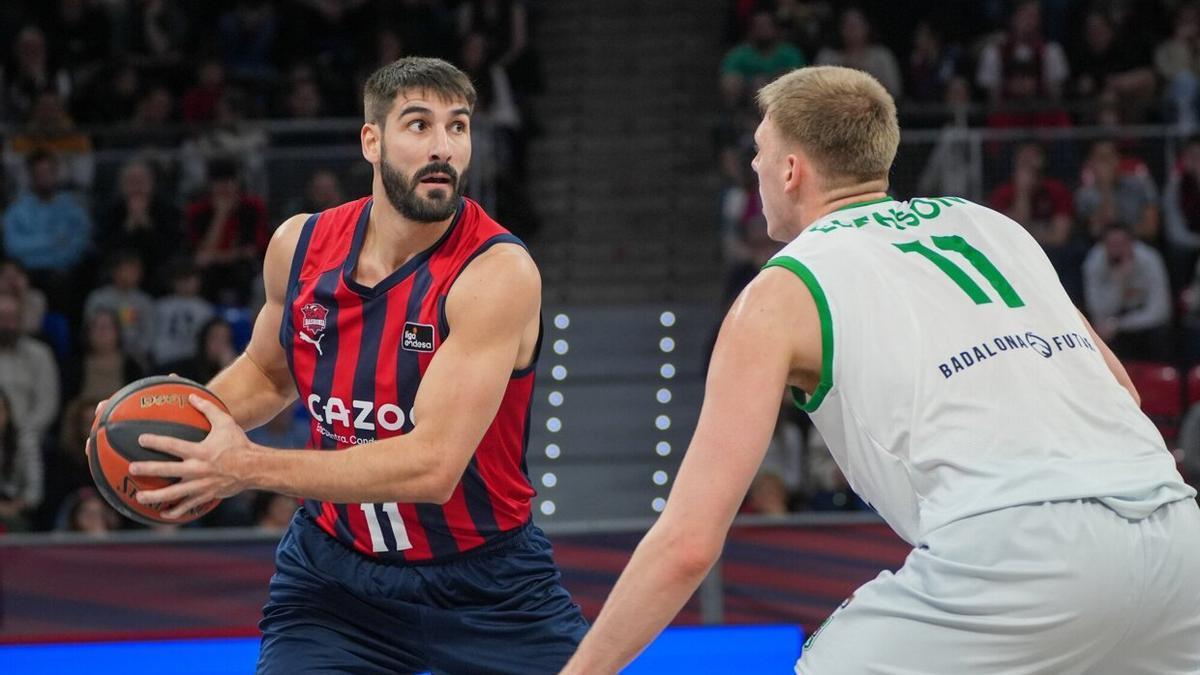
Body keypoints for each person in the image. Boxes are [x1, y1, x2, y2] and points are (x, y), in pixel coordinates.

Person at [561, 66, 1200, 675]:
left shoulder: (780, 291)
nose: (752, 166)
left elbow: (690, 543)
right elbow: (1120, 389)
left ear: (790, 170)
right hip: (1175, 534)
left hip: (1021, 552)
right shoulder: (991, 226)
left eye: (759, 151)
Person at [96, 57, 587, 673]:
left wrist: (246, 466)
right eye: (418, 125)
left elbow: (432, 466)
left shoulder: (496, 273)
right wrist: (169, 427)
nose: (443, 148)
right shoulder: (297, 246)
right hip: (335, 582)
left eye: (457, 127)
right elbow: (268, 373)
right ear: (371, 140)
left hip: (489, 587)